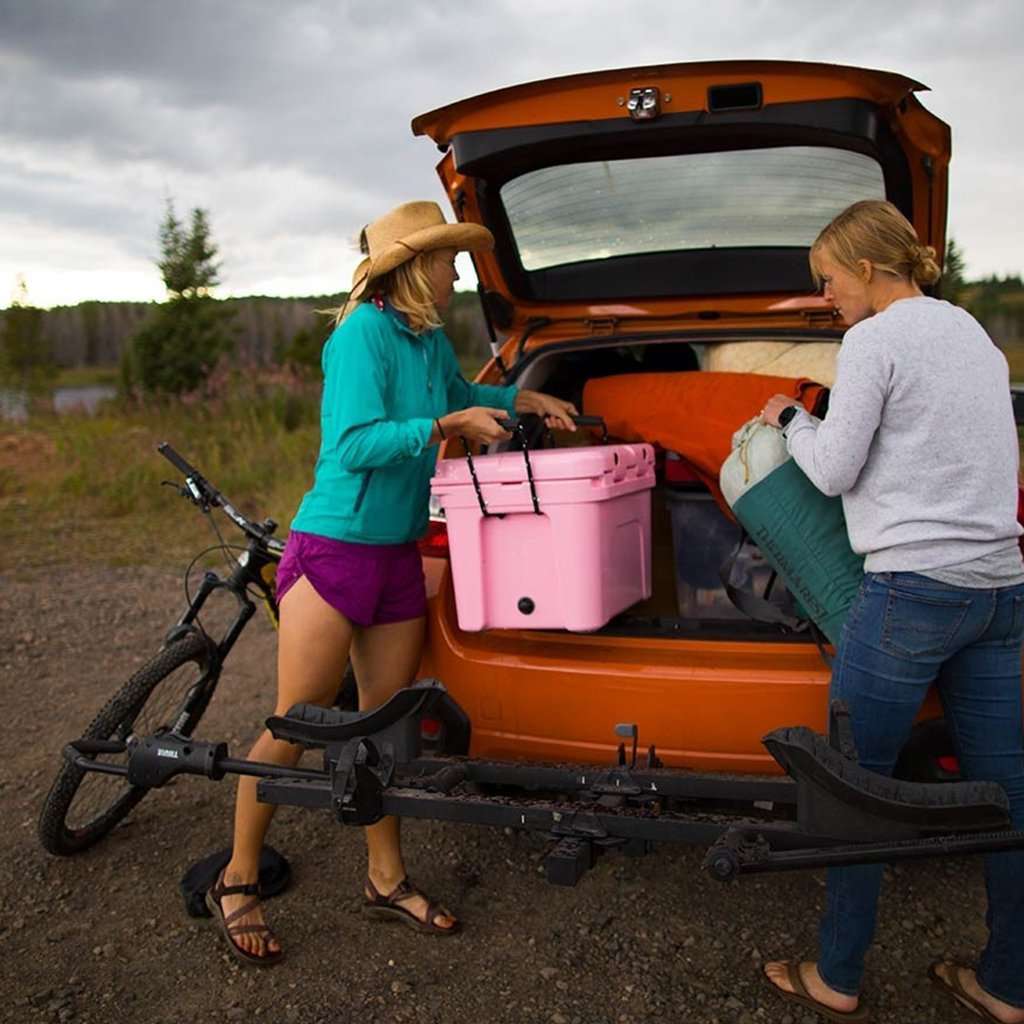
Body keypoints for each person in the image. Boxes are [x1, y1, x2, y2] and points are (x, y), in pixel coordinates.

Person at [206, 200, 578, 965]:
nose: (455, 271)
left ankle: (385, 878)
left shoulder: (426, 336)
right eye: (446, 260)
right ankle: (237, 877)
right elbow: (354, 443)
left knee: (382, 732)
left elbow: (451, 398)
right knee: (297, 725)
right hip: (334, 550)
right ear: (414, 268)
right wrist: (445, 431)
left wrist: (521, 399)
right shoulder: (362, 336)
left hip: (396, 556)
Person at [760, 199, 1024, 1023]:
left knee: (856, 787)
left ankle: (836, 976)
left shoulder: (873, 339)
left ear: (869, 268)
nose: (826, 296)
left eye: (828, 279)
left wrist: (792, 420)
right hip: (1001, 590)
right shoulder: (972, 333)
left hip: (911, 594)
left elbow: (835, 469)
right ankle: (1009, 984)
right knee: (1005, 790)